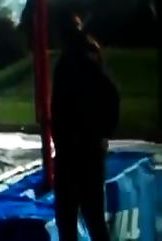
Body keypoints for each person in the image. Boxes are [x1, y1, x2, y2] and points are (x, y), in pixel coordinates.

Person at [51, 12, 120, 241]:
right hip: (83, 153)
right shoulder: (85, 60)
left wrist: (99, 134)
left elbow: (110, 98)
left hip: (76, 155)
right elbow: (111, 98)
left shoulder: (76, 63)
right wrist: (103, 134)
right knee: (90, 219)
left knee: (76, 220)